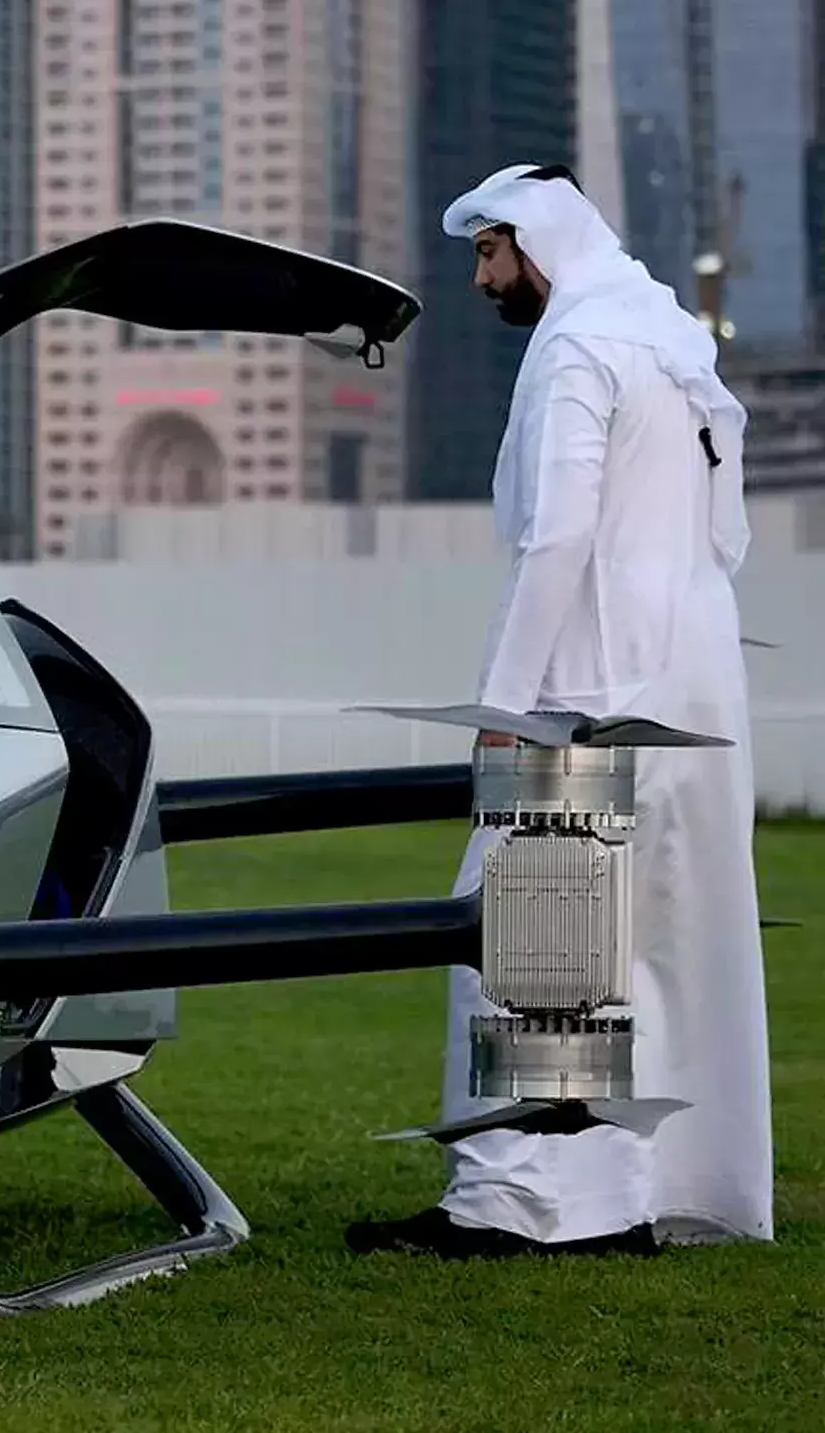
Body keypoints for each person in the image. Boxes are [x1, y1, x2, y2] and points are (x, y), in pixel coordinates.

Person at [347, 162, 773, 1258]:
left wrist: (503, 706)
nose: (483, 279)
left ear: (537, 244)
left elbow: (558, 538)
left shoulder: (580, 345)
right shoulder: (668, 337)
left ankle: (524, 1208)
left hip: (589, 683)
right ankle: (637, 1196)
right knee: (652, 943)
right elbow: (720, 530)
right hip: (690, 677)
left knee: (524, 945)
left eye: (490, 254)